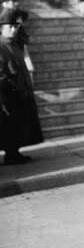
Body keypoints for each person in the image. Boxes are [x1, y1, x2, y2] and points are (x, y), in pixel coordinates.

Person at [0, 9, 43, 165]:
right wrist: (9, 87)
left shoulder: (14, 46)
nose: (13, 29)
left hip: (19, 92)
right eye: (9, 26)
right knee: (10, 125)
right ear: (1, 28)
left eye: (14, 26)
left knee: (18, 124)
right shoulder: (1, 45)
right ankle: (10, 154)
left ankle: (15, 152)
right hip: (8, 94)